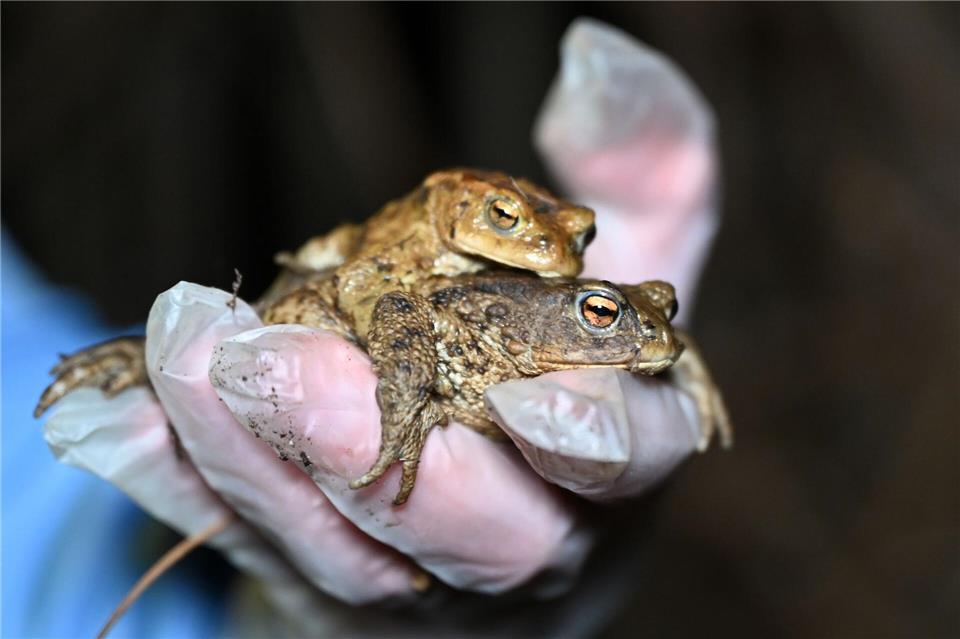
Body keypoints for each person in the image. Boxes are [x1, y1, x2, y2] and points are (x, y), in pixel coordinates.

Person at [30, 18, 722, 637]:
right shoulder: (402, 259)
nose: (558, 251)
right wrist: (408, 391)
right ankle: (131, 361)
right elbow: (387, 305)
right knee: (232, 349)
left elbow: (634, 311)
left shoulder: (537, 285)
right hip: (330, 313)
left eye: (575, 238)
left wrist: (673, 355)